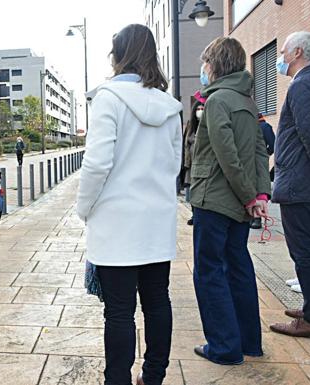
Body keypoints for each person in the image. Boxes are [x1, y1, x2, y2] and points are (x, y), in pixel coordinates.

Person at [77, 24, 182, 385]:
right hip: (156, 223)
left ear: (118, 55)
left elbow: (96, 164)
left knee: (119, 312)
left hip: (117, 223)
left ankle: (116, 380)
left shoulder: (108, 98)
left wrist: (84, 208)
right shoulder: (170, 106)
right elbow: (175, 164)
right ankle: (153, 377)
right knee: (157, 302)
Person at [190, 37, 271, 365]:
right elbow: (257, 152)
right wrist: (259, 195)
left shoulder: (217, 100)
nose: (203, 69)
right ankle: (250, 341)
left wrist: (249, 194)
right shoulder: (247, 101)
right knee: (238, 268)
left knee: (209, 272)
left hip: (214, 201)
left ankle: (224, 347)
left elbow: (227, 155)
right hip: (240, 204)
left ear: (215, 65)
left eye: (205, 63)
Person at [269, 31, 310, 340]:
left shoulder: (303, 85)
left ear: (297, 53)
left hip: (300, 180)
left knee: (304, 250)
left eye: (283, 52)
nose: (281, 58)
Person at [182, 93, 206, 226]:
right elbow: (186, 145)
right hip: (191, 165)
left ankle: (199, 214)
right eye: (198, 109)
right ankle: (194, 214)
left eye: (203, 109)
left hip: (203, 164)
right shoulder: (191, 127)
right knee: (192, 192)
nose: (200, 112)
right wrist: (186, 164)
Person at [250, 113, 276, 229]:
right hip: (249, 161)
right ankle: (253, 217)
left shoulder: (264, 127)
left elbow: (273, 145)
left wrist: (265, 155)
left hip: (258, 162)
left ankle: (257, 218)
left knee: (257, 188)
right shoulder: (259, 126)